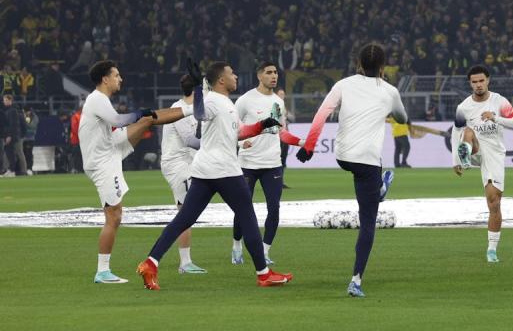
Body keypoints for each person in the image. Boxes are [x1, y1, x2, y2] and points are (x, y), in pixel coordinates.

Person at [137, 61, 293, 290]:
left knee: (184, 219)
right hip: (225, 169)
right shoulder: (211, 100)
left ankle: (150, 263)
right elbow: (200, 113)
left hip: (204, 169)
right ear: (221, 79)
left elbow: (238, 132)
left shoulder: (224, 102)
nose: (236, 76)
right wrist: (200, 89)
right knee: (248, 217)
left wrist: (260, 126)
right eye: (232, 73)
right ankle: (263, 273)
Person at [295, 43, 406, 297]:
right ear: (383, 66)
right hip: (367, 161)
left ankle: (380, 187)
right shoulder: (390, 91)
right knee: (368, 222)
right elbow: (402, 119)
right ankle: (355, 280)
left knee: (370, 187)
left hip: (343, 156)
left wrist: (310, 146)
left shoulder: (342, 84)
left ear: (358, 63)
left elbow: (322, 114)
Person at [80, 60, 196, 284]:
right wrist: (139, 113)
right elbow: (117, 120)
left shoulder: (100, 100)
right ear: (105, 79)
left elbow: (119, 123)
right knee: (113, 216)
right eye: (116, 75)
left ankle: (191, 110)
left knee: (147, 119)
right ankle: (102, 271)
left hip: (110, 147)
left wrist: (144, 114)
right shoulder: (97, 98)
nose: (120, 79)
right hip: (103, 160)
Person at [231, 61, 301, 266]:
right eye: (269, 72)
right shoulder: (245, 100)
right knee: (243, 208)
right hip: (247, 163)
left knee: (274, 208)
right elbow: (233, 127)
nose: (274, 76)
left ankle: (264, 251)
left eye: (276, 72)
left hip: (272, 163)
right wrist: (242, 142)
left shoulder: (278, 103)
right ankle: (236, 245)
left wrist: (301, 141)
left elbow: (281, 132)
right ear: (259, 76)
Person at [452, 64, 513, 263]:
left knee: (494, 202)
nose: (478, 85)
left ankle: (492, 249)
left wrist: (496, 118)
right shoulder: (464, 107)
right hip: (474, 147)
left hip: (494, 153)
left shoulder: (499, 101)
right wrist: (455, 160)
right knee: (467, 132)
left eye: (481, 81)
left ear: (488, 80)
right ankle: (465, 157)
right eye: (474, 82)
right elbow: (455, 132)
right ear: (470, 84)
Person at [160, 74, 206, 274]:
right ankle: (184, 263)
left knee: (188, 211)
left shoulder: (195, 110)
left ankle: (185, 261)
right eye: (205, 89)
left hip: (189, 163)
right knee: (185, 212)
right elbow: (189, 140)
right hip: (176, 164)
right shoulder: (177, 110)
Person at [2, 94, 28, 176]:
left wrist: (12, 135)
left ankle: (22, 171)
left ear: (10, 100)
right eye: (4, 100)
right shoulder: (12, 110)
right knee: (11, 153)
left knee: (18, 153)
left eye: (6, 100)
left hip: (16, 136)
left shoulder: (13, 110)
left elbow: (14, 125)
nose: (4, 102)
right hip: (16, 135)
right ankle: (10, 170)